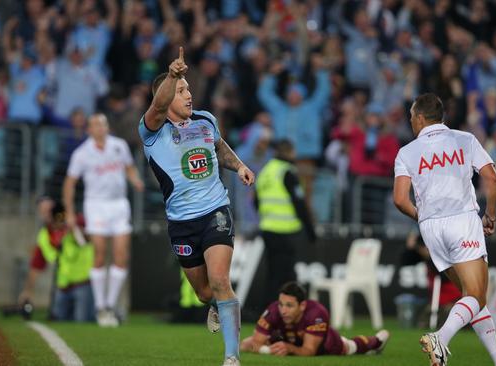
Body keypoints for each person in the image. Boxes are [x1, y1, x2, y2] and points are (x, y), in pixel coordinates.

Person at [139, 47, 255, 366]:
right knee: (204, 293)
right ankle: (215, 305)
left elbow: (218, 146)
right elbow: (158, 105)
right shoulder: (151, 131)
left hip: (216, 211)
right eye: (181, 90)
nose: (189, 94)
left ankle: (231, 356)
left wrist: (240, 165)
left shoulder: (205, 120)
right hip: (181, 223)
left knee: (220, 281)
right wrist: (172, 75)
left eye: (189, 88)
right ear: (166, 97)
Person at [393, 93, 496, 366]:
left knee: (472, 298)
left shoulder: (407, 152)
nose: (410, 122)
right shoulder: (464, 139)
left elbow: (400, 200)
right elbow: (492, 178)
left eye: (411, 117)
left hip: (431, 229)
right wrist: (490, 215)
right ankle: (441, 338)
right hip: (461, 221)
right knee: (476, 294)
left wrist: (420, 217)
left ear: (420, 118)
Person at [63, 114, 144, 327]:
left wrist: (134, 179)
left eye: (103, 124)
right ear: (89, 129)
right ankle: (100, 307)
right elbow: (69, 183)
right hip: (96, 205)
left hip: (118, 205)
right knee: (99, 255)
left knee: (121, 256)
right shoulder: (82, 154)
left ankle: (110, 305)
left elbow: (129, 167)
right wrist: (70, 212)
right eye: (96, 124)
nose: (100, 128)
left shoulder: (119, 146)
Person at [240, 282, 389, 357]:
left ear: (302, 305)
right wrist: (269, 349)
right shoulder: (273, 311)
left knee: (349, 346)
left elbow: (309, 350)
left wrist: (289, 348)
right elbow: (249, 344)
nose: (283, 310)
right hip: (288, 339)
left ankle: (376, 342)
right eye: (281, 304)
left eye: (289, 306)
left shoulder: (316, 314)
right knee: (246, 343)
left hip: (325, 344)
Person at [255, 139, 316, 307]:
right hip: (285, 231)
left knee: (273, 274)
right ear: (290, 152)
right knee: (287, 276)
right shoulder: (287, 172)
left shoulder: (266, 171)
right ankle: (289, 312)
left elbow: (255, 201)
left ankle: (268, 311)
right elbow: (299, 203)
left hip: (267, 229)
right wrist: (311, 231)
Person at [18, 201, 94, 322]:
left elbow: (87, 239)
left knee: (83, 320)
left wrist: (73, 227)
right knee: (59, 320)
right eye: (43, 211)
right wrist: (27, 291)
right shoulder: (44, 235)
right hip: (62, 286)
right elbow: (36, 266)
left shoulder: (76, 221)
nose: (47, 214)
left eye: (49, 210)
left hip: (83, 283)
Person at [400, 231, 462, 328]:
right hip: (436, 301)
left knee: (446, 322)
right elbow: (405, 261)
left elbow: (444, 277)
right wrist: (409, 248)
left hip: (453, 299)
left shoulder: (443, 255)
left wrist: (431, 258)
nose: (420, 251)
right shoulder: (425, 256)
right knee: (423, 323)